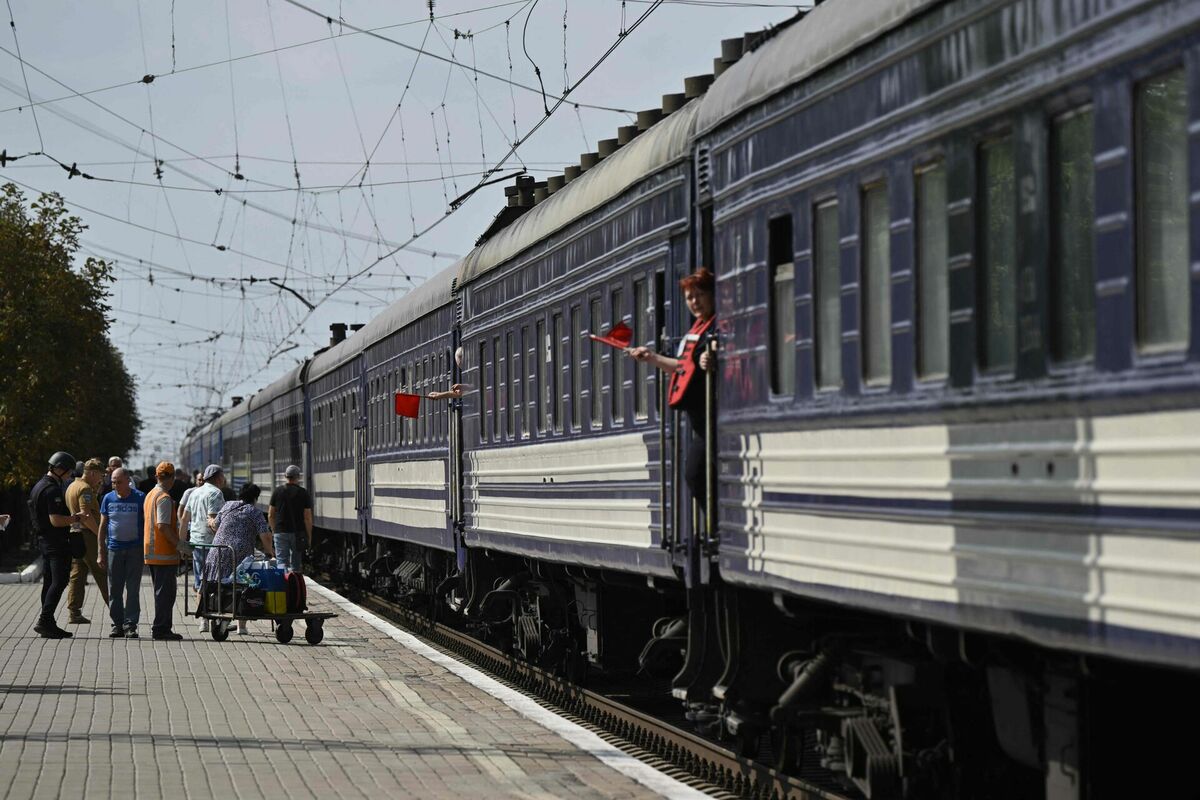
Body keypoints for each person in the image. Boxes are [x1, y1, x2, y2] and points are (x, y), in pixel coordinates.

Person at [630, 267, 717, 507]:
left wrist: (712, 358)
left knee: (696, 474)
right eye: (689, 297)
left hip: (713, 417)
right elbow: (682, 367)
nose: (694, 302)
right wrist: (651, 357)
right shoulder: (696, 329)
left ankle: (717, 534)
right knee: (696, 474)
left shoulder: (716, 326)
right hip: (699, 419)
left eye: (699, 294)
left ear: (712, 294)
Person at [28, 451, 87, 638]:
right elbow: (55, 520)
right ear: (59, 469)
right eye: (69, 472)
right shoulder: (52, 490)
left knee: (49, 581)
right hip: (55, 542)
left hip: (44, 541)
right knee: (59, 581)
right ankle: (45, 620)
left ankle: (48, 622)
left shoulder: (39, 486)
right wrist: (76, 518)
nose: (70, 476)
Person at [203, 482, 274, 635]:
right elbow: (266, 536)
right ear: (255, 497)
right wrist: (270, 553)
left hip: (218, 552)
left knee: (218, 586)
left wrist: (209, 521)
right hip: (240, 556)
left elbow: (215, 525)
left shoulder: (228, 505)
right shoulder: (254, 512)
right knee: (243, 588)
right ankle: (241, 627)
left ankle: (214, 616)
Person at [98, 468, 146, 638]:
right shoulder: (108, 498)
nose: (115, 485)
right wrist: (100, 551)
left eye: (118, 482)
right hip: (114, 550)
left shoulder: (140, 497)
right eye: (113, 482)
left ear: (128, 481)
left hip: (135, 550)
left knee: (133, 589)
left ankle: (130, 624)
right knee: (115, 589)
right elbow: (103, 526)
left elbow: (147, 525)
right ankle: (117, 624)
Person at [179, 464, 226, 632]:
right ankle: (214, 617)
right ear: (218, 477)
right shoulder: (216, 493)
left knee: (201, 581)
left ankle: (203, 621)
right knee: (216, 581)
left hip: (196, 542)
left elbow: (184, 519)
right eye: (223, 476)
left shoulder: (195, 492)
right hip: (213, 544)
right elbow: (212, 520)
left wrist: (182, 544)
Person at [65, 458, 110, 624]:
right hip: (88, 536)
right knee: (101, 571)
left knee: (78, 573)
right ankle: (117, 611)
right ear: (92, 472)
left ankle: (74, 612)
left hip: (75, 534)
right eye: (100, 475)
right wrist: (100, 535)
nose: (101, 479)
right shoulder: (84, 489)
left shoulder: (72, 486)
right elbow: (86, 515)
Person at [143, 461, 183, 641]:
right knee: (165, 594)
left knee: (161, 593)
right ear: (172, 478)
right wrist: (180, 545)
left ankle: (161, 627)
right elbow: (163, 526)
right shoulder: (164, 498)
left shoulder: (151, 494)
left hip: (151, 552)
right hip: (163, 553)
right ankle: (161, 629)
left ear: (157, 477)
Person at [268, 465, 312, 574]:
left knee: (282, 563)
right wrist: (309, 536)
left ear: (285, 476)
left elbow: (270, 515)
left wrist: (274, 531)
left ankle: (283, 587)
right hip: (298, 533)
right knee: (296, 565)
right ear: (298, 477)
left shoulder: (277, 492)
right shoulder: (303, 493)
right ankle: (294, 587)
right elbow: (307, 517)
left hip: (280, 532)